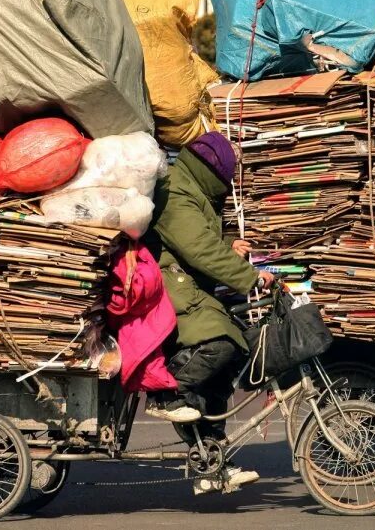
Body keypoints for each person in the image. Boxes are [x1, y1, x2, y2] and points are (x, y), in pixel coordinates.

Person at [143, 131, 274, 494]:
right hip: (171, 290)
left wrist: (229, 243)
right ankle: (165, 393)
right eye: (225, 180)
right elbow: (198, 247)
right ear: (211, 172)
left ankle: (211, 462)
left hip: (188, 287)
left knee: (225, 369)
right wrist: (250, 277)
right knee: (221, 344)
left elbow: (198, 239)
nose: (227, 188)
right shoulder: (176, 193)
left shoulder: (192, 191)